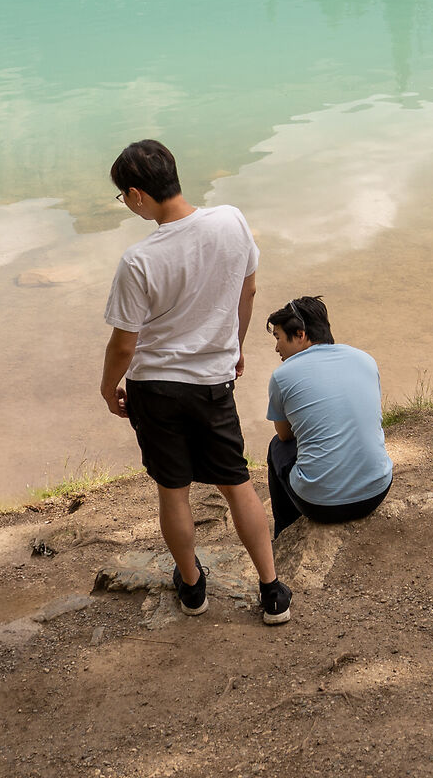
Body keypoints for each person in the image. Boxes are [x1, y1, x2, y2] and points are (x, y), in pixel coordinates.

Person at [101, 139, 292, 625]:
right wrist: (237, 347)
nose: (129, 206)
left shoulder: (138, 260)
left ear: (139, 194)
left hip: (156, 390)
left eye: (125, 198)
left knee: (174, 491)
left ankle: (192, 589)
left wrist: (108, 389)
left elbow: (124, 345)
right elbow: (247, 289)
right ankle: (271, 592)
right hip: (212, 383)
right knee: (237, 485)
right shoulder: (231, 220)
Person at [262, 297, 393, 536]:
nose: (277, 348)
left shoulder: (282, 376)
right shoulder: (365, 359)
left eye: (279, 338)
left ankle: (284, 534)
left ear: (300, 334)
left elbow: (285, 435)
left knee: (276, 448)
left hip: (321, 507)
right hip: (377, 491)